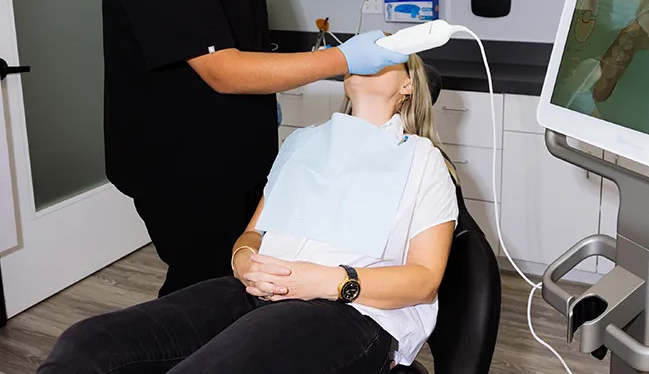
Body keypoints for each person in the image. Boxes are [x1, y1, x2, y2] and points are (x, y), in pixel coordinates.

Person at [102, 0, 405, 297]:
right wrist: (344, 59)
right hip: (182, 166)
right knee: (204, 289)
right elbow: (222, 70)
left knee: (241, 281)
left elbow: (236, 34)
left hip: (231, 153)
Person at [41, 54, 458, 374]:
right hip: (256, 292)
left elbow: (423, 281)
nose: (370, 57)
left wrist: (326, 280)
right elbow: (252, 235)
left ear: (408, 85)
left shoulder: (424, 162)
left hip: (352, 313)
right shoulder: (305, 144)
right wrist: (242, 261)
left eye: (386, 55)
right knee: (87, 344)